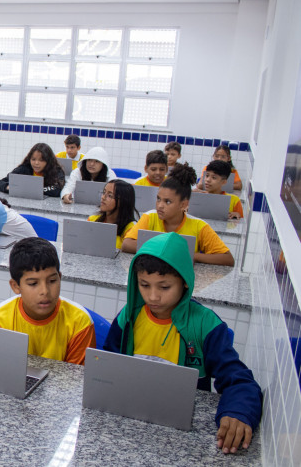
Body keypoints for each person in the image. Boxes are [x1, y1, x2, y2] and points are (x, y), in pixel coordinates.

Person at [104, 232, 261, 454]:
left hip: (182, 431)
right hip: (133, 419)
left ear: (185, 283)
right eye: (144, 285)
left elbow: (241, 381)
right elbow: (108, 366)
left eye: (164, 287)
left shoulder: (206, 325)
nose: (153, 296)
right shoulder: (128, 317)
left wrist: (238, 412)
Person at [0, 237, 95, 364]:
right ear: (16, 286)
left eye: (52, 281)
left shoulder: (80, 322)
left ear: (59, 278)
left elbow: (76, 380)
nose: (45, 291)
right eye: (33, 283)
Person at [121, 163, 234, 266]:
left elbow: (227, 258)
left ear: (183, 204)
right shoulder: (150, 217)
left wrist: (193, 256)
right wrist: (169, 251)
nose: (160, 205)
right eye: (158, 199)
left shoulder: (199, 226)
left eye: (168, 202)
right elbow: (126, 244)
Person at [0, 143, 65, 197]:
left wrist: (28, 189)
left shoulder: (56, 171)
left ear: (48, 161)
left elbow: (57, 190)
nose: (36, 163)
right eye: (33, 159)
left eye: (41, 160)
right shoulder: (24, 169)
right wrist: (8, 187)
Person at [88, 180, 138, 249]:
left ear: (123, 201)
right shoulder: (92, 219)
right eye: (104, 192)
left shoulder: (131, 229)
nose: (103, 197)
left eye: (110, 195)